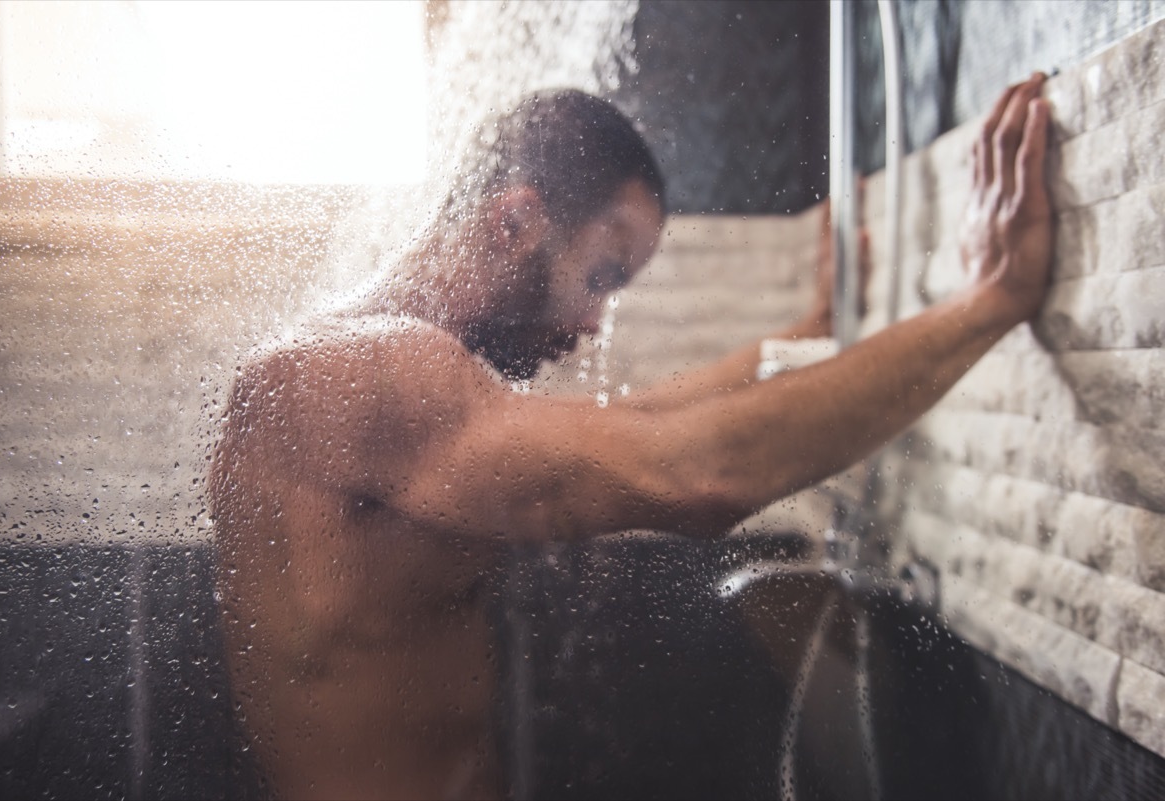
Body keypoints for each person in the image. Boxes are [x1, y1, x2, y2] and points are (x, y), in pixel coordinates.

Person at [209, 74, 1052, 800]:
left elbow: (632, 424)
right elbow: (698, 474)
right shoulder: (350, 374)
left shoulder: (395, 376)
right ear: (514, 222)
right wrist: (989, 304)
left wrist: (813, 331)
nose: (591, 322)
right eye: (600, 276)